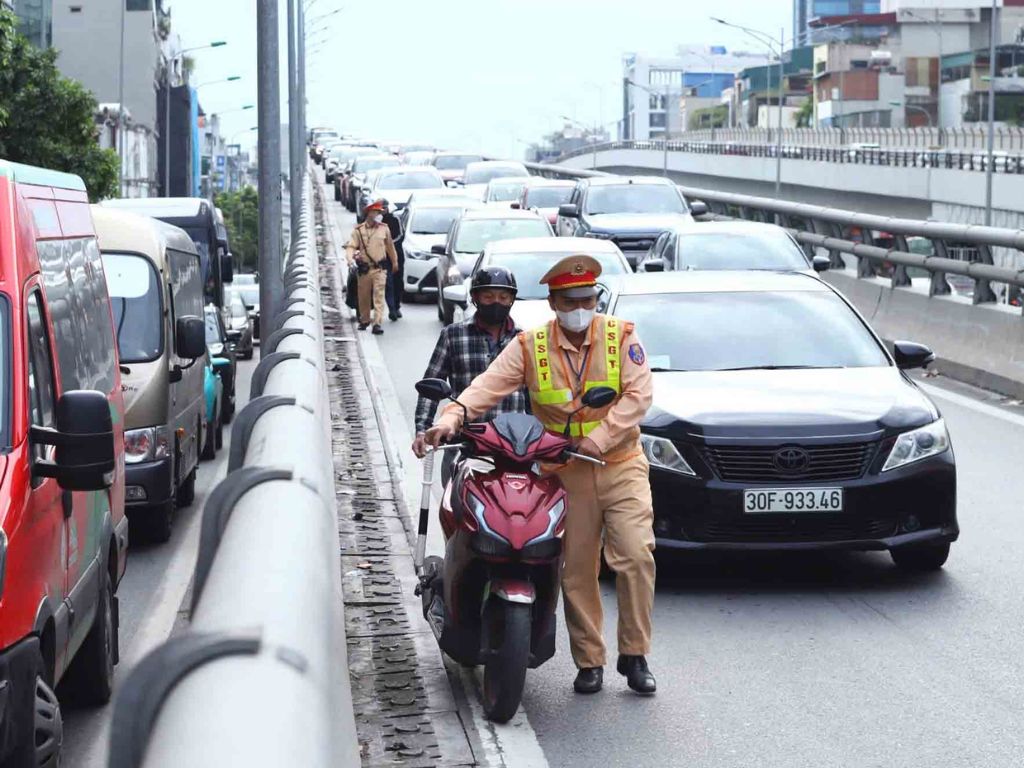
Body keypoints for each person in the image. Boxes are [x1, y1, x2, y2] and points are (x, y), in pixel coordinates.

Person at [424, 255, 657, 696]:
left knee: (636, 555)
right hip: (562, 470)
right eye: (570, 301)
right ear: (553, 302)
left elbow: (638, 395)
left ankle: (635, 654)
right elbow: (486, 386)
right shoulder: (530, 346)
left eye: (587, 299)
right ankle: (590, 661)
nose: (580, 308)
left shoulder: (620, 336)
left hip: (619, 464)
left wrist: (600, 438)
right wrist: (452, 416)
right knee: (575, 569)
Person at [412, 266, 528, 483]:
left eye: (503, 297)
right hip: (464, 444)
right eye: (488, 296)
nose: (496, 302)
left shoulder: (524, 341)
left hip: (514, 446)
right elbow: (431, 386)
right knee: (455, 508)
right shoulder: (453, 335)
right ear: (475, 298)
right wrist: (422, 430)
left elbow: (536, 396)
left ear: (512, 299)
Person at [344, 200, 398, 335]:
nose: (378, 214)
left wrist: (395, 261)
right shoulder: (358, 231)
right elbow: (351, 246)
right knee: (363, 296)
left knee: (379, 296)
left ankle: (377, 323)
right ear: (369, 213)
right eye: (376, 212)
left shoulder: (384, 229)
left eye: (379, 212)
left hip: (379, 268)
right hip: (365, 269)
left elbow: (390, 247)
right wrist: (350, 260)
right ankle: (365, 320)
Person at [378, 199, 406, 321]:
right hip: (382, 257)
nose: (383, 210)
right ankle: (392, 309)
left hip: (397, 255)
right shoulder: (376, 222)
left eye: (384, 207)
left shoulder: (395, 219)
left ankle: (397, 305)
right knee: (387, 283)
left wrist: (389, 245)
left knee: (397, 281)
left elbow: (400, 235)